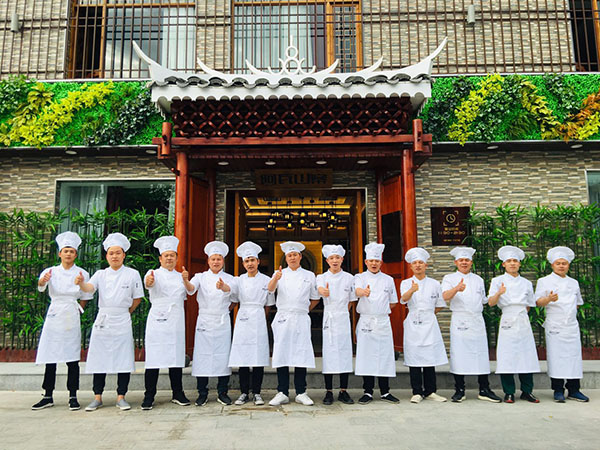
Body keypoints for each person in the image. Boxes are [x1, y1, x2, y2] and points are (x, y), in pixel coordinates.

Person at [78, 232, 143, 412]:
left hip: (122, 319)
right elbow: (89, 289)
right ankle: (97, 397)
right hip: (104, 320)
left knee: (124, 359)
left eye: (118, 253)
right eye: (111, 253)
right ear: (106, 256)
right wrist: (81, 284)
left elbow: (137, 298)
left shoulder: (132, 274)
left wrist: (126, 312)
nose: (114, 256)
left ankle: (121, 396)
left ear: (124, 255)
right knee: (99, 358)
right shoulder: (100, 274)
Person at [32, 231, 93, 411]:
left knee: (72, 357)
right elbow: (41, 287)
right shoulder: (50, 271)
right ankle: (47, 395)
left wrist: (78, 309)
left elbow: (86, 295)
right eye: (65, 251)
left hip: (71, 314)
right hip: (55, 313)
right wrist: (42, 281)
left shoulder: (82, 273)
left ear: (76, 254)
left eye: (71, 251)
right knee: (50, 356)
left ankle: (73, 395)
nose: (68, 254)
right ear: (60, 253)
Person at [442, 246, 500, 403]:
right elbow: (445, 296)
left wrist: (498, 294)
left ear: (471, 262)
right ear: (456, 262)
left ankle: (484, 389)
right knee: (459, 355)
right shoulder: (449, 278)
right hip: (460, 320)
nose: (464, 262)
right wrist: (456, 288)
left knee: (480, 354)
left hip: (477, 320)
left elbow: (484, 300)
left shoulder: (478, 279)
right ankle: (460, 390)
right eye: (461, 260)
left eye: (467, 260)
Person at [141, 236, 191, 410]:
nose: (169, 258)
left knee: (175, 357)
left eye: (172, 255)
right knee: (153, 358)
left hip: (176, 320)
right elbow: (148, 283)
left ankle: (178, 393)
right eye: (166, 255)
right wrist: (149, 282)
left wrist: (186, 280)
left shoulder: (181, 276)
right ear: (160, 258)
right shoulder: (152, 273)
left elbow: (190, 292)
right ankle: (149, 395)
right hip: (157, 320)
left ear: (176, 258)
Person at [267, 241, 319, 406]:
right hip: (283, 317)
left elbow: (315, 298)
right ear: (286, 258)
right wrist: (275, 278)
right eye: (289, 255)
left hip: (301, 318)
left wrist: (303, 310)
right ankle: (282, 392)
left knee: (301, 354)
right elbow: (270, 289)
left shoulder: (309, 275)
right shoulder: (279, 273)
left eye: (295, 255)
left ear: (300, 256)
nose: (292, 258)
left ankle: (301, 392)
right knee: (282, 353)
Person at [535, 246, 589, 403]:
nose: (561, 266)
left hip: (571, 326)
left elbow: (577, 303)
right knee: (556, 358)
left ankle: (574, 390)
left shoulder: (573, 282)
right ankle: (558, 390)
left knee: (573, 358)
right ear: (552, 265)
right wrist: (549, 299)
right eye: (558, 263)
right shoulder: (544, 281)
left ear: (568, 265)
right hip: (555, 325)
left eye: (564, 263)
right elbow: (538, 302)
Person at [187, 241, 237, 407]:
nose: (216, 262)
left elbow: (234, 298)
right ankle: (202, 392)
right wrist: (185, 280)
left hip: (222, 320)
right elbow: (191, 289)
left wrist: (224, 288)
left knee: (223, 356)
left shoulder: (230, 278)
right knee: (202, 356)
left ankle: (222, 392)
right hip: (205, 320)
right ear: (208, 261)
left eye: (219, 259)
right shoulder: (200, 277)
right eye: (213, 259)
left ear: (223, 261)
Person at [488, 245, 540, 403]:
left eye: (515, 261)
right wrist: (499, 293)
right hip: (507, 318)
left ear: (519, 264)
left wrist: (521, 315)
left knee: (526, 355)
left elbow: (529, 304)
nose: (512, 263)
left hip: (522, 319)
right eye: (509, 261)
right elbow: (491, 302)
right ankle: (509, 392)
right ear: (503, 264)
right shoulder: (497, 281)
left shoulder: (526, 283)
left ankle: (527, 391)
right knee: (507, 356)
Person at [228, 241, 275, 406]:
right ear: (243, 264)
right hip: (243, 318)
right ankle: (243, 392)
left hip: (258, 318)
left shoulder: (267, 280)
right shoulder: (238, 280)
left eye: (252, 260)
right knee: (243, 357)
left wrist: (261, 317)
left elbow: (269, 304)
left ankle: (257, 392)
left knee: (258, 357)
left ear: (258, 261)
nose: (250, 264)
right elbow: (233, 298)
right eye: (247, 261)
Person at [400, 247, 448, 404]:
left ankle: (430, 391)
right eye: (415, 263)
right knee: (414, 356)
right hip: (413, 322)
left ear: (426, 265)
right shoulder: (406, 283)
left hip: (429, 322)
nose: (418, 265)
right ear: (411, 266)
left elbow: (440, 304)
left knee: (429, 356)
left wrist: (428, 314)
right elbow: (403, 299)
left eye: (421, 262)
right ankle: (416, 391)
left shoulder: (434, 283)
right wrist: (412, 290)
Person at [354, 242, 400, 405]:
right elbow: (357, 291)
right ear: (366, 262)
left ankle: (385, 391)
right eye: (371, 261)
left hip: (382, 322)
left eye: (377, 261)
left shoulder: (388, 280)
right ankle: (367, 391)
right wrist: (363, 292)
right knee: (366, 356)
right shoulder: (360, 277)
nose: (374, 263)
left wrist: (380, 310)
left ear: (381, 262)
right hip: (366, 321)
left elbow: (393, 302)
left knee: (384, 356)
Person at [316, 244, 356, 405]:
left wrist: (343, 313)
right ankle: (329, 391)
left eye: (337, 258)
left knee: (345, 353)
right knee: (329, 353)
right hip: (329, 316)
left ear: (342, 259)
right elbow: (319, 289)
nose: (334, 260)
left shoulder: (349, 278)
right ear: (327, 260)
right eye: (331, 258)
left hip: (343, 317)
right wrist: (322, 291)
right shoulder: (321, 277)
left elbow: (351, 300)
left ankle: (343, 391)